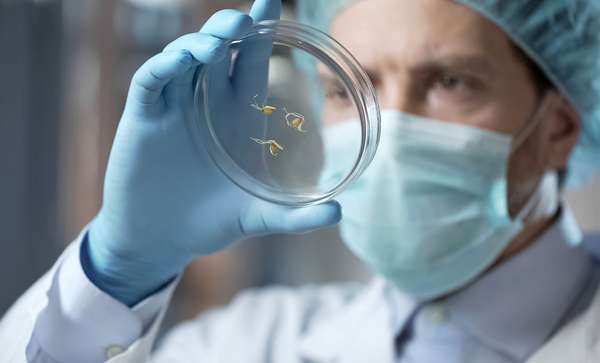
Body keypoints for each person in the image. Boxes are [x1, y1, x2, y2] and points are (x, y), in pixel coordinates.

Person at [2, 0, 600, 361]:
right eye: (348, 90)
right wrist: (120, 269)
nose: (387, 131)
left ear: (560, 127)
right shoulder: (245, 344)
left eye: (449, 82)